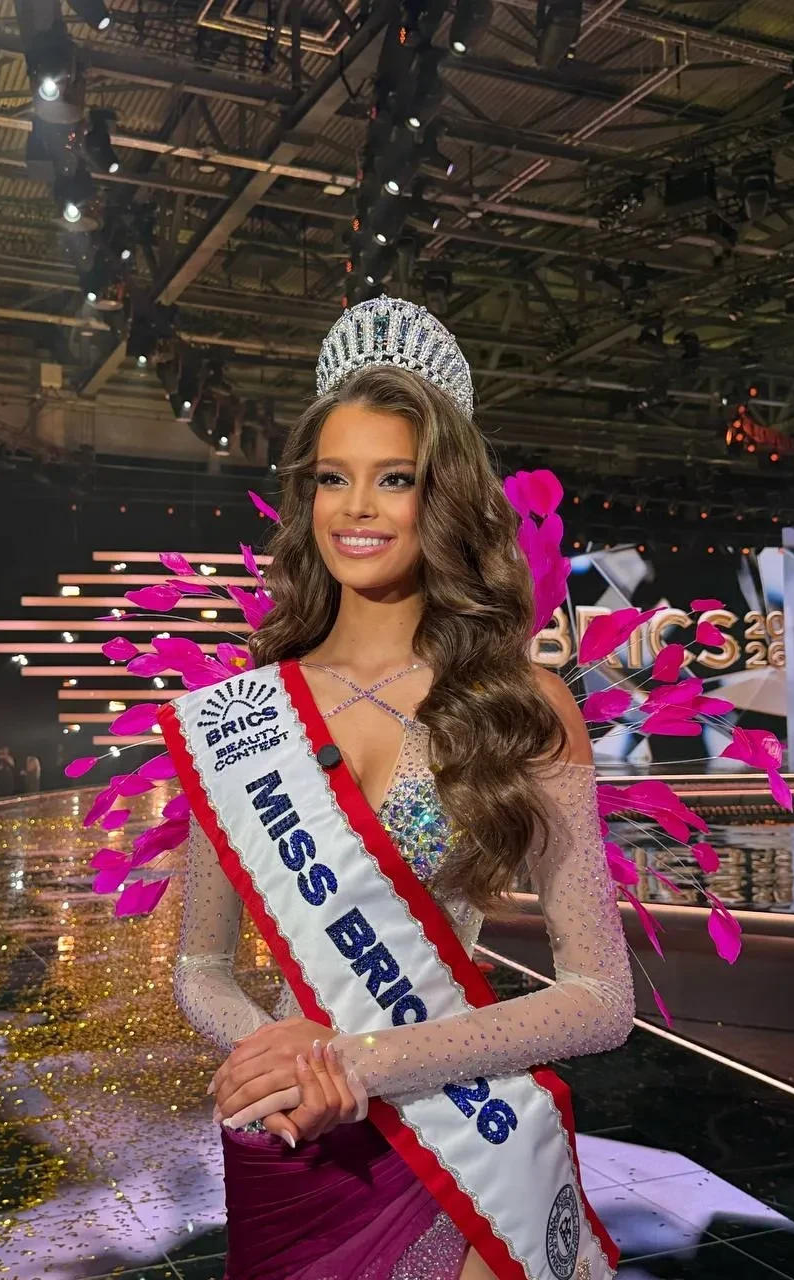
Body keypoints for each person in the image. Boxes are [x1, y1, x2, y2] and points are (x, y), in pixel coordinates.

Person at [165, 297, 632, 1279]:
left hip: (464, 1141)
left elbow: (601, 999)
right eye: (333, 478)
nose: (357, 507)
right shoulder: (243, 716)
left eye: (394, 478)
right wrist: (293, 1063)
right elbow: (199, 966)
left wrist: (360, 1063)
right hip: (302, 1140)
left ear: (443, 496)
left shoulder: (522, 706)